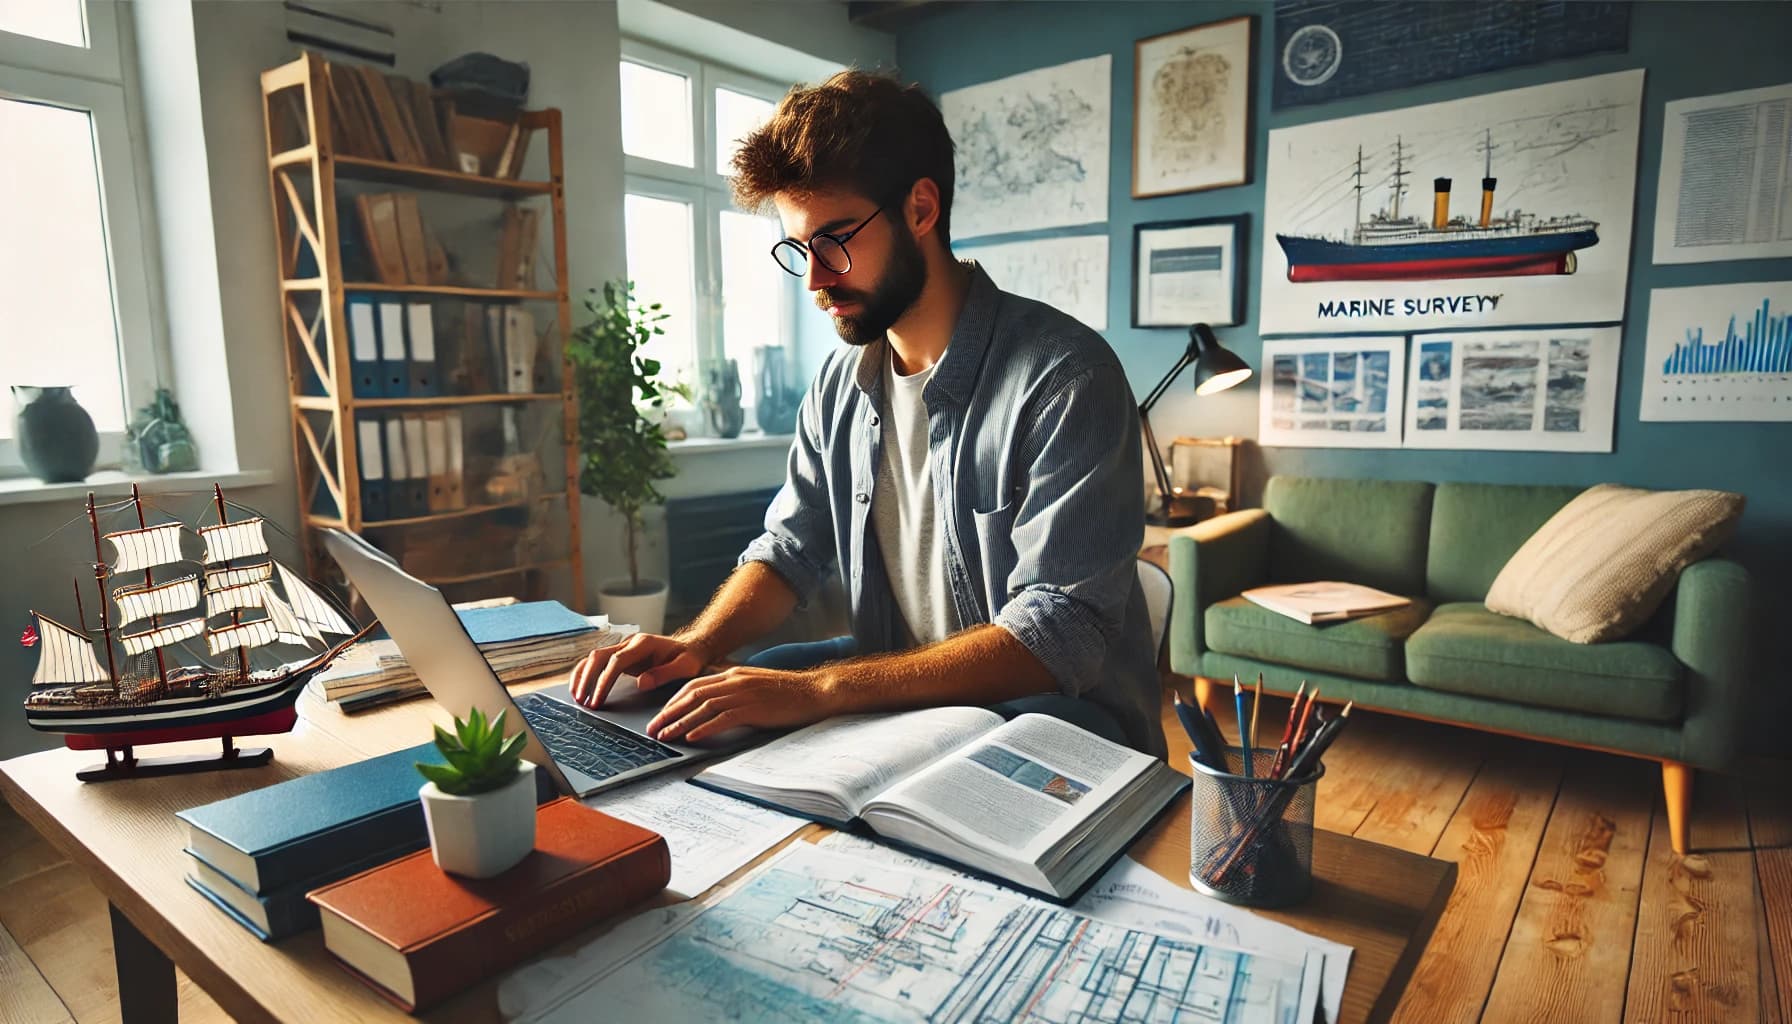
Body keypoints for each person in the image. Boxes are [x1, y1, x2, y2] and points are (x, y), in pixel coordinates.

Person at [571, 69, 1164, 757]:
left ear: (920, 209)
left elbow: (1058, 634)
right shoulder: (837, 385)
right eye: (801, 249)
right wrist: (692, 644)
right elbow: (790, 551)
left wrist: (821, 691)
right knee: (685, 706)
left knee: (785, 698)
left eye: (835, 240)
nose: (818, 279)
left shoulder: (1065, 378)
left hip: (1057, 718)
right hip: (901, 687)